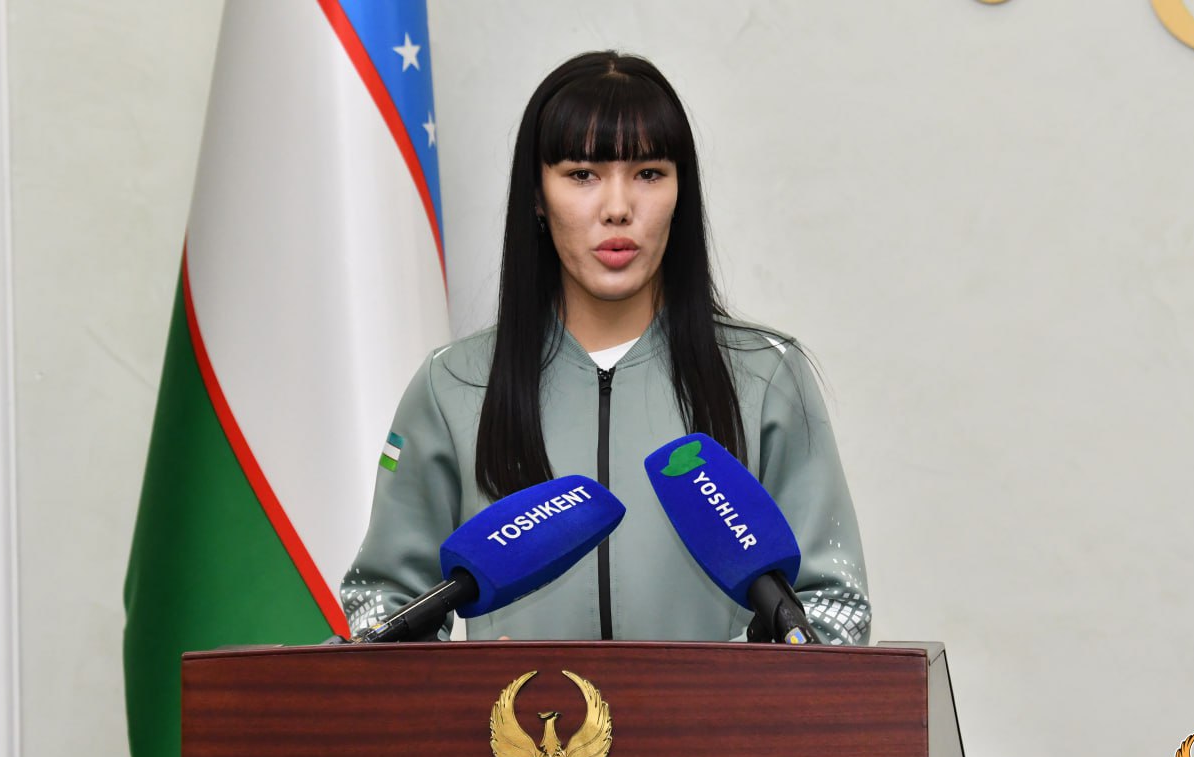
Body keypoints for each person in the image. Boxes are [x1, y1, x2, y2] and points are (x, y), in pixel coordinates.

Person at [340, 51, 870, 645]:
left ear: (681, 192)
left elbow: (834, 607)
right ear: (537, 196)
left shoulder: (766, 376)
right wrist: (462, 686)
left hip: (712, 712)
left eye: (649, 173)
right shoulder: (453, 384)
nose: (618, 208)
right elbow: (383, 603)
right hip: (513, 712)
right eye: (582, 174)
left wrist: (735, 687)